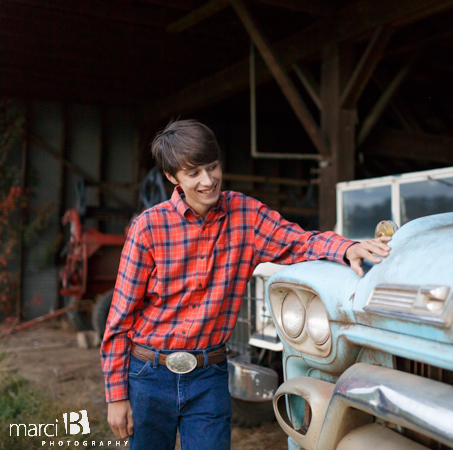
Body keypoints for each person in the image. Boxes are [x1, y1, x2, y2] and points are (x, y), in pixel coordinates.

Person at [100, 120, 392, 449]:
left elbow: (297, 242)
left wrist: (346, 247)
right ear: (173, 177)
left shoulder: (246, 215)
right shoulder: (148, 228)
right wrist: (116, 396)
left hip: (207, 376)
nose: (208, 180)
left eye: (212, 167)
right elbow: (120, 318)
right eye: (194, 173)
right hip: (148, 375)